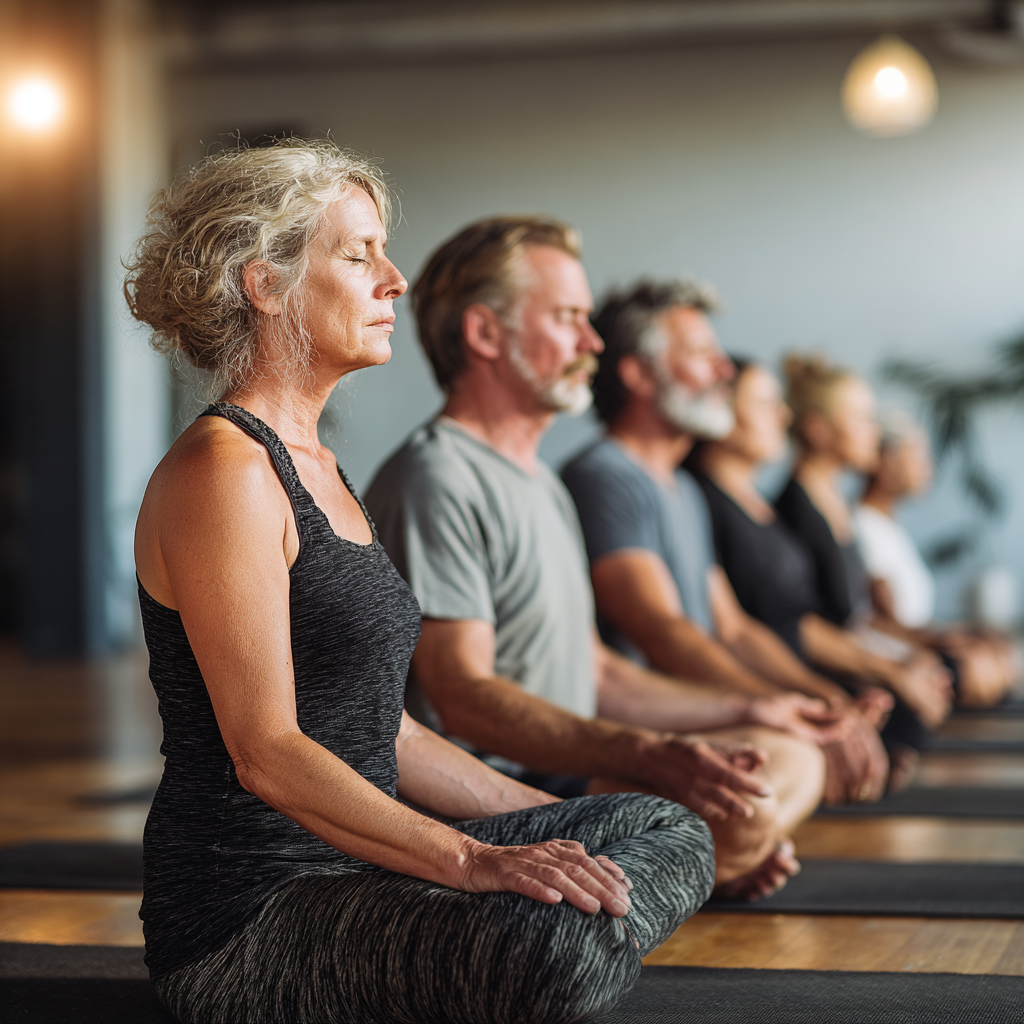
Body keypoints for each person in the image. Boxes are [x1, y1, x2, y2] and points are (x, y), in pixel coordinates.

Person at [126, 142, 717, 1024]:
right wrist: (475, 865)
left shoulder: (318, 465)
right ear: (265, 283)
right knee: (554, 947)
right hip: (255, 916)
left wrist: (553, 830)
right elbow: (268, 753)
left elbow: (383, 729)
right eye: (358, 255)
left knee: (667, 830)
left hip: (368, 872)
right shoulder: (224, 470)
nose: (394, 279)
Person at [367, 217, 840, 903]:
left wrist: (750, 708)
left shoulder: (542, 481)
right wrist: (645, 753)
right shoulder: (438, 477)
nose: (591, 342)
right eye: (567, 318)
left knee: (784, 759)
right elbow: (462, 699)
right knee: (751, 806)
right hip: (502, 801)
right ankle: (683, 869)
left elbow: (596, 669)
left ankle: (685, 869)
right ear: (485, 335)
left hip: (576, 775)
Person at [561, 281, 889, 808]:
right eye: (700, 354)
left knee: (803, 753)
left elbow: (732, 627)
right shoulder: (604, 476)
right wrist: (768, 706)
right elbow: (661, 631)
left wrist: (823, 700)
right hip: (648, 729)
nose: (723, 371)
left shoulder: (684, 488)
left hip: (703, 719)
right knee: (792, 761)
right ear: (638, 375)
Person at [775, 355, 953, 775]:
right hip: (821, 669)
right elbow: (805, 624)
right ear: (819, 430)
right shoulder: (794, 509)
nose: (875, 434)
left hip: (854, 658)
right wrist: (891, 671)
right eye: (862, 419)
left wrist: (912, 656)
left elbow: (857, 616)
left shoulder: (835, 502)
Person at [857, 412, 1017, 708]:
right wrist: (946, 639)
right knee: (987, 667)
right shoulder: (863, 526)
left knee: (999, 652)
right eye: (917, 455)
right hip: (897, 654)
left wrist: (960, 634)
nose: (928, 466)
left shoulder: (888, 527)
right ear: (886, 463)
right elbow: (884, 621)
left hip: (915, 643)